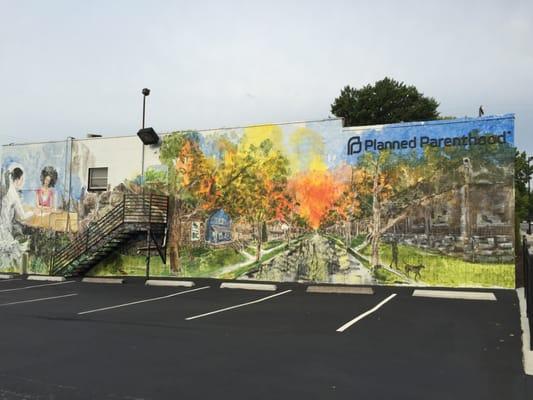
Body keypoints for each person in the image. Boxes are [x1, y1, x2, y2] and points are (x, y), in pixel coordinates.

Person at [0, 166, 33, 267]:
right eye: (22, 180)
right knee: (12, 256)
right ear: (18, 179)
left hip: (3, 227)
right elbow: (22, 216)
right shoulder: (13, 194)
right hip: (4, 230)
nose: (22, 183)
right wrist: (33, 212)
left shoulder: (6, 190)